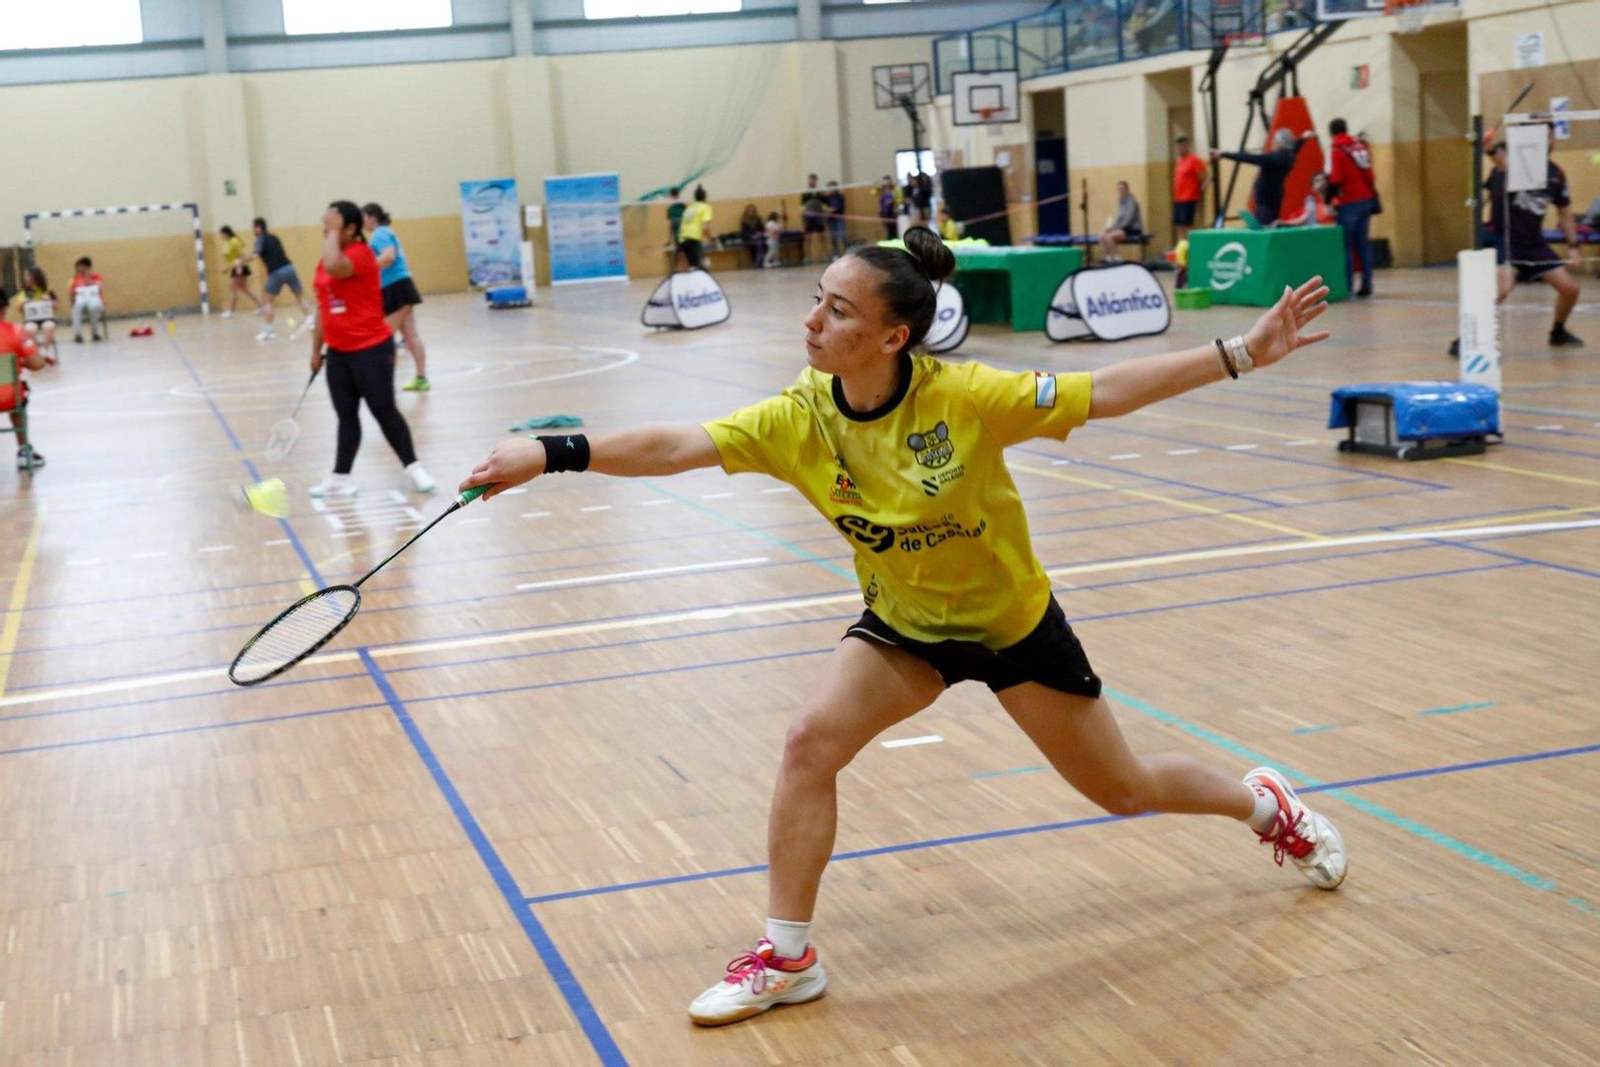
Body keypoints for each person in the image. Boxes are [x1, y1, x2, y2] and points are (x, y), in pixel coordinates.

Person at [459, 227, 1346, 1028]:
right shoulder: (800, 415)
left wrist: (1240, 350)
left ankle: (1266, 805)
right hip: (904, 627)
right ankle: (788, 955)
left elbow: (1104, 389)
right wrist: (555, 451)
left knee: (1122, 789)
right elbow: (676, 446)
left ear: (892, 336)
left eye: (838, 310)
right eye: (817, 300)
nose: (814, 321)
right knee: (810, 742)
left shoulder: (966, 397)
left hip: (1011, 628)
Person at [308, 201, 435, 499]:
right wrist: (316, 350)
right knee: (346, 414)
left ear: (350, 228)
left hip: (371, 349)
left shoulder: (361, 254)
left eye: (333, 220)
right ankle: (341, 477)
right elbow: (322, 309)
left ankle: (414, 467)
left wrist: (336, 232)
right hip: (338, 352)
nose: (325, 224)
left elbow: (335, 266)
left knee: (382, 409)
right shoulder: (324, 259)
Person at [1451, 132, 1584, 355]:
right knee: (1500, 290)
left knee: (1570, 289)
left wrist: (1573, 246)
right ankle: (1465, 339)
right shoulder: (1514, 165)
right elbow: (1501, 164)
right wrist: (1489, 148)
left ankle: (1558, 332)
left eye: (1549, 137)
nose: (1546, 141)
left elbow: (1565, 210)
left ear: (1553, 141)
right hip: (1508, 242)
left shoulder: (1556, 173)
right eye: (1542, 136)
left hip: (1535, 244)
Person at [362, 203, 430, 392]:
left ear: (372, 217)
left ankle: (385, 382)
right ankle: (421, 378)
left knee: (384, 337)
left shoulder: (380, 234)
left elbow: (389, 256)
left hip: (396, 288)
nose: (362, 222)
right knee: (410, 336)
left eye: (363, 217)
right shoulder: (385, 232)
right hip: (399, 286)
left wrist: (365, 268)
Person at [1213, 128, 1313, 227]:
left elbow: (1249, 158)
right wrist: (1303, 138)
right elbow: (1295, 146)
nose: (1273, 142)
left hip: (1266, 200)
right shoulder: (1289, 155)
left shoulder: (1274, 159)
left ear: (1281, 143)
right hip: (1275, 197)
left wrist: (1223, 154)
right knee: (1270, 224)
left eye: (1275, 140)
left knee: (1264, 227)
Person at [1326, 118, 1378, 298]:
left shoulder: (1336, 150)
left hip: (1348, 202)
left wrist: (1328, 200)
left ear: (1331, 132)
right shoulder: (1360, 147)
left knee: (1346, 246)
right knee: (1363, 244)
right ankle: (1367, 285)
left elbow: (1336, 179)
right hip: (1366, 199)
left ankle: (1347, 287)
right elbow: (1370, 175)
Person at [242, 217, 313, 343]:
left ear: (259, 227)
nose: (252, 229)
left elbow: (255, 255)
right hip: (289, 268)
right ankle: (310, 321)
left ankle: (269, 331)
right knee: (300, 296)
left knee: (267, 301)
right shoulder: (274, 237)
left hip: (277, 271)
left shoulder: (260, 239)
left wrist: (242, 260)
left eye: (253, 227)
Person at [0, 295, 47, 470]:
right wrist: (20, 360)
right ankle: (24, 451)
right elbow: (38, 364)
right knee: (16, 394)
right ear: (5, 308)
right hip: (9, 399)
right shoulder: (16, 331)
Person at [9, 266, 59, 355]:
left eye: (27, 276)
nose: (26, 279)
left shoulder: (47, 291)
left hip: (46, 318)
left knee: (49, 326)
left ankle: (45, 350)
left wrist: (50, 301)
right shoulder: (24, 292)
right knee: (29, 329)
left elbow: (57, 306)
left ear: (34, 278)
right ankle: (37, 350)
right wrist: (23, 303)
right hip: (31, 319)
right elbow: (19, 309)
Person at [219, 225, 264, 319]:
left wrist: (238, 267)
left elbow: (241, 256)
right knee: (245, 288)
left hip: (240, 268)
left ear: (225, 233)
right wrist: (227, 268)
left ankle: (231, 312)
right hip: (234, 268)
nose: (221, 236)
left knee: (233, 288)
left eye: (222, 234)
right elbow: (231, 259)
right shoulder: (226, 243)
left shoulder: (234, 241)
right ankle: (261, 305)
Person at [1098, 180, 1144, 263]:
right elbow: (1119, 219)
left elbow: (1129, 220)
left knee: (1109, 237)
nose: (1120, 191)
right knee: (1102, 235)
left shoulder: (1132, 201)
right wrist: (1111, 228)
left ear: (1127, 189)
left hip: (1132, 228)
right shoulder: (1120, 201)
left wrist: (1115, 228)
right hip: (1122, 228)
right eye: (1119, 189)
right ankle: (1109, 257)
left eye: (1122, 189)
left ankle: (1118, 259)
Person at [1172, 135, 1206, 245]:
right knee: (1179, 224)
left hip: (1189, 197)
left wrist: (1201, 189)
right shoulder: (1179, 161)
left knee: (1187, 224)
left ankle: (1191, 246)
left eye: (1182, 146)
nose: (1180, 149)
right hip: (1178, 198)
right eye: (1178, 146)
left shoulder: (1193, 160)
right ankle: (1182, 246)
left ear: (1187, 146)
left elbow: (1202, 176)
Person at [69, 257, 106, 343]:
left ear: (86, 267)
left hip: (95, 300)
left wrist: (89, 280)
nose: (77, 269)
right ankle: (77, 334)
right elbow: (71, 293)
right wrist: (73, 300)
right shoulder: (75, 279)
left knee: (93, 307)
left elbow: (100, 289)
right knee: (76, 308)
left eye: (80, 266)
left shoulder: (97, 277)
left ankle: (95, 333)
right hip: (81, 301)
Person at [677, 186, 714, 271]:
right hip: (693, 238)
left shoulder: (690, 208)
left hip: (682, 238)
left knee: (689, 266)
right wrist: (710, 238)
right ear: (705, 197)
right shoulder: (705, 207)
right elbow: (705, 227)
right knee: (696, 267)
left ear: (695, 197)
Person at [801, 175, 827, 263]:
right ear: (809, 181)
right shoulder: (805, 193)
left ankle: (824, 256)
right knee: (808, 238)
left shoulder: (820, 192)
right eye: (811, 180)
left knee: (822, 237)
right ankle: (807, 257)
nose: (812, 181)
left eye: (814, 180)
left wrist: (822, 213)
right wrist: (805, 214)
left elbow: (824, 205)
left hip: (818, 218)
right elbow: (802, 206)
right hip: (808, 219)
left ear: (816, 181)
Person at [824, 181, 848, 260]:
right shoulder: (827, 198)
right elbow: (825, 208)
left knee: (843, 237)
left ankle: (848, 253)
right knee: (833, 238)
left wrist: (832, 210)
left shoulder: (840, 197)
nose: (831, 189)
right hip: (831, 221)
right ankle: (836, 255)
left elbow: (839, 207)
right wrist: (828, 210)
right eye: (829, 188)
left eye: (832, 187)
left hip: (839, 219)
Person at [877, 176, 899, 241]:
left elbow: (897, 200)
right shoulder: (883, 193)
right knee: (888, 228)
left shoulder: (894, 191)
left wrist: (893, 201)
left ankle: (894, 239)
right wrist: (881, 212)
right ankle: (890, 239)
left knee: (893, 228)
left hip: (892, 212)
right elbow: (882, 203)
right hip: (885, 213)